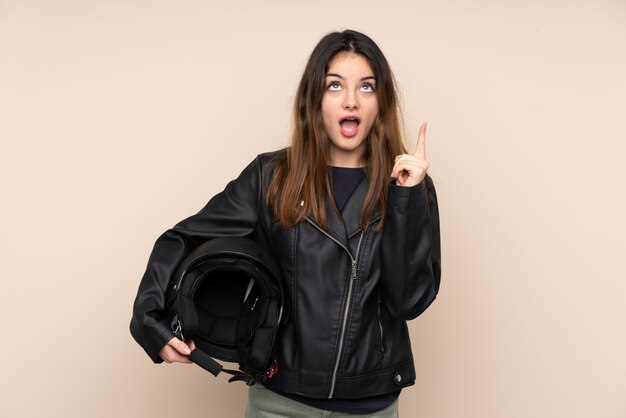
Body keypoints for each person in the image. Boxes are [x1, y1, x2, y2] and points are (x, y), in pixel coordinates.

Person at [130, 29, 441, 417]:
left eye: (366, 87)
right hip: (280, 401)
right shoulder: (271, 176)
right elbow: (184, 238)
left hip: (371, 403)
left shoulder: (408, 186)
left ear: (381, 102)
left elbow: (408, 301)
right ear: (314, 99)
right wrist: (150, 322)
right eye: (334, 86)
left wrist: (406, 199)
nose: (350, 100)